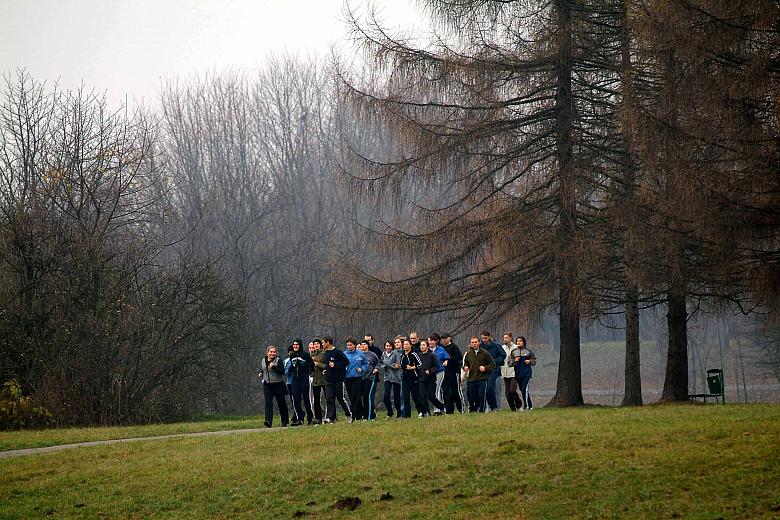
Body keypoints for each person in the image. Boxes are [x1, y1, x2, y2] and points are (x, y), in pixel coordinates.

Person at [321, 336, 352, 423]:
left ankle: (348, 414)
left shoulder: (338, 352)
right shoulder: (326, 353)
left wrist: (336, 365)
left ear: (328, 343)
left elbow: (346, 362)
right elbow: (327, 365)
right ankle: (330, 417)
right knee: (329, 398)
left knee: (340, 398)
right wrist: (325, 370)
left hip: (338, 380)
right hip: (328, 380)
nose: (322, 344)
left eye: (323, 342)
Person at [258, 345, 289, 427]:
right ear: (267, 352)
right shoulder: (263, 360)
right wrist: (262, 373)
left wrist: (274, 367)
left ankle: (284, 421)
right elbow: (264, 369)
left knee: (281, 404)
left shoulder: (278, 361)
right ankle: (268, 421)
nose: (272, 353)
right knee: (268, 403)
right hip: (267, 384)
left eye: (274, 352)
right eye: (271, 352)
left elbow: (282, 372)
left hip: (278, 384)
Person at [463, 337, 496, 413]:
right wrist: (465, 367)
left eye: (475, 342)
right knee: (471, 396)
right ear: (471, 344)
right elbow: (465, 364)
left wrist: (485, 368)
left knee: (482, 395)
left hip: (482, 378)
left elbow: (493, 364)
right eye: (472, 342)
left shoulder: (485, 353)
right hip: (471, 378)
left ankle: (482, 410)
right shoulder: (468, 354)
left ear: (478, 343)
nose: (474, 344)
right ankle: (473, 410)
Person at [288, 339, 315, 425]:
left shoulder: (305, 355)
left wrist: (304, 366)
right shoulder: (292, 355)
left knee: (306, 399)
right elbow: (292, 366)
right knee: (296, 399)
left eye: (297, 345)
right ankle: (300, 418)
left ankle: (310, 418)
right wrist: (291, 369)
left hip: (304, 379)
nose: (295, 346)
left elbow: (312, 365)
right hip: (295, 379)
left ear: (300, 345)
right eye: (294, 345)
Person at [417, 339, 446, 416]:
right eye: (421, 345)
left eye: (423, 345)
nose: (422, 347)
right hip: (422, 379)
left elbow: (437, 367)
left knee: (431, 397)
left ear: (427, 346)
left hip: (431, 379)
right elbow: (416, 366)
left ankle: (442, 407)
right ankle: (426, 413)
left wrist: (430, 371)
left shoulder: (432, 355)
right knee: (422, 396)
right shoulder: (418, 356)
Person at [344, 337, 369, 421]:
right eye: (347, 345)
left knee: (355, 396)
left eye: (350, 345)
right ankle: (359, 414)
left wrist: (361, 369)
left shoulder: (360, 354)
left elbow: (366, 363)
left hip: (357, 378)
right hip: (347, 378)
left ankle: (353, 415)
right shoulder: (344, 354)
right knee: (351, 397)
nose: (349, 346)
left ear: (354, 345)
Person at [400, 338, 426, 418]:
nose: (405, 346)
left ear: (410, 345)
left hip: (414, 378)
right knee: (406, 397)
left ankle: (423, 412)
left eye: (407, 344)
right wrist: (399, 366)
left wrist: (412, 368)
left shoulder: (414, 354)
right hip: (405, 379)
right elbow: (402, 366)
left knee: (416, 397)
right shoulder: (402, 355)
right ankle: (407, 415)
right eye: (404, 344)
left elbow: (420, 365)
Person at [480, 331, 506, 411]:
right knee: (485, 390)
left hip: (494, 370)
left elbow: (503, 355)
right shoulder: (480, 346)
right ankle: (488, 407)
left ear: (489, 337)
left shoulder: (496, 346)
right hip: (484, 371)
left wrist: (494, 362)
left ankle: (496, 406)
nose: (484, 340)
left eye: (485, 338)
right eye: (483, 338)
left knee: (494, 389)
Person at [511, 336, 537, 411]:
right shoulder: (514, 352)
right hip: (518, 374)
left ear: (524, 342)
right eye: (517, 341)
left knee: (524, 389)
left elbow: (534, 361)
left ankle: (527, 406)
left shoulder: (528, 351)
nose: (519, 342)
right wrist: (514, 360)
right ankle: (530, 405)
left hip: (526, 374)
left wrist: (529, 361)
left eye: (520, 341)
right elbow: (509, 363)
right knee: (523, 390)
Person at [441, 333, 464, 414]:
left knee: (455, 391)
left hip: (454, 372)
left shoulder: (454, 347)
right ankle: (449, 410)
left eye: (445, 338)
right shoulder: (441, 347)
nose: (443, 340)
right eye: (442, 338)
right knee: (446, 392)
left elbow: (459, 358)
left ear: (449, 338)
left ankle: (461, 409)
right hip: (444, 372)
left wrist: (449, 359)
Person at [501, 332, 524, 411]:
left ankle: (519, 405)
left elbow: (518, 359)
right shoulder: (502, 347)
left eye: (506, 337)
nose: (505, 339)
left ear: (511, 338)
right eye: (504, 338)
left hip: (514, 372)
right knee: (507, 394)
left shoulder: (516, 347)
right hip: (505, 372)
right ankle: (513, 409)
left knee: (512, 390)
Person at [428, 333, 450, 413]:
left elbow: (447, 357)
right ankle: (441, 407)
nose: (430, 342)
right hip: (430, 373)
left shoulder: (441, 349)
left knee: (437, 389)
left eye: (432, 340)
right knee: (431, 391)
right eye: (429, 340)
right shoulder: (427, 350)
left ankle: (437, 410)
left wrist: (446, 362)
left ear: (436, 341)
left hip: (439, 372)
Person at [381, 339, 402, 418]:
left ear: (392, 347)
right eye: (387, 346)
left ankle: (399, 413)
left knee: (397, 397)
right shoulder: (383, 354)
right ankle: (390, 412)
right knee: (386, 396)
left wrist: (387, 363)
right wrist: (386, 365)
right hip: (387, 377)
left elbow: (398, 366)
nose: (388, 347)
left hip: (396, 377)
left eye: (390, 346)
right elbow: (381, 363)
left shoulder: (396, 353)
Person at [359, 341, 380, 420]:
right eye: (362, 344)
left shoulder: (372, 355)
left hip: (370, 377)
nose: (363, 346)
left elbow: (378, 363)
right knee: (359, 397)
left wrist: (376, 368)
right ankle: (363, 414)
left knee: (367, 397)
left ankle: (369, 416)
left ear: (367, 346)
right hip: (360, 378)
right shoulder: (358, 354)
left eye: (364, 344)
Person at [309, 338, 325, 424]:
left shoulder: (324, 353)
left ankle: (330, 416)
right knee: (316, 400)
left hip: (324, 379)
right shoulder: (311, 355)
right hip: (315, 380)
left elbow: (327, 365)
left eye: (317, 344)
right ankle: (318, 418)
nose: (316, 345)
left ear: (320, 345)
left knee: (328, 398)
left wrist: (317, 364)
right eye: (314, 344)